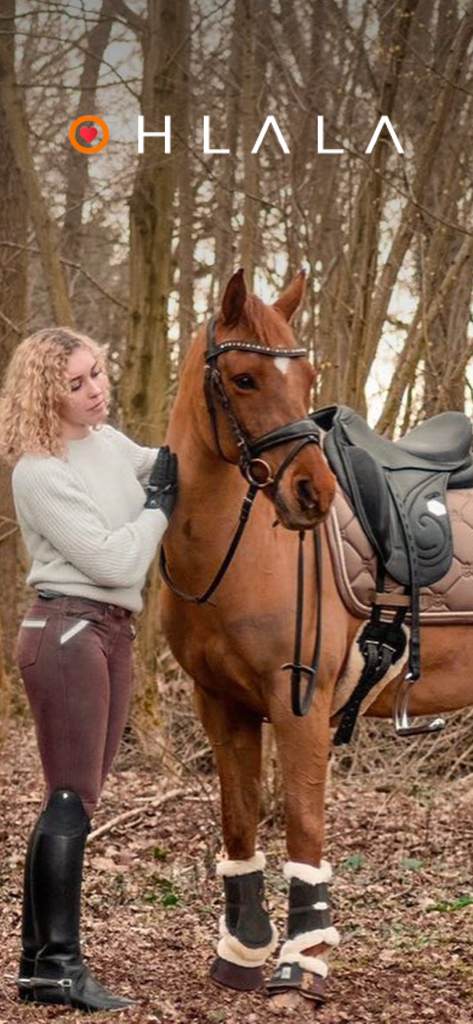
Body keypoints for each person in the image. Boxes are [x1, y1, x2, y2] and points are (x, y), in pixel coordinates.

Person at [0, 327, 178, 1012]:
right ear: (48, 394)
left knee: (73, 801)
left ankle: (34, 962)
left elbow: (161, 463)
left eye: (97, 372)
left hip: (111, 631)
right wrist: (159, 508)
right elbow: (114, 560)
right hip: (67, 632)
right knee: (70, 799)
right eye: (75, 384)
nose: (96, 388)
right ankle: (62, 967)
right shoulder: (40, 471)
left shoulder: (105, 443)